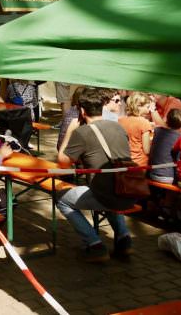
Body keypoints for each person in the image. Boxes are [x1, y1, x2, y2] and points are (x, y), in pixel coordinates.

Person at [57, 87, 134, 262]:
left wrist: (70, 130)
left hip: (105, 194)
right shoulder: (118, 127)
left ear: (82, 111)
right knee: (109, 192)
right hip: (128, 191)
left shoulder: (82, 132)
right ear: (102, 107)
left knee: (61, 199)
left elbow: (62, 162)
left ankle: (95, 244)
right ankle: (124, 240)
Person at [149, 108, 181, 184]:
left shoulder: (157, 130)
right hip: (168, 176)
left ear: (167, 119)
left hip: (152, 172)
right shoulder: (180, 138)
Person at [118, 92, 154, 167]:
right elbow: (147, 150)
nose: (149, 110)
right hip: (139, 163)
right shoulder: (144, 123)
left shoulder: (120, 121)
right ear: (139, 106)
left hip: (123, 161)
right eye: (147, 107)